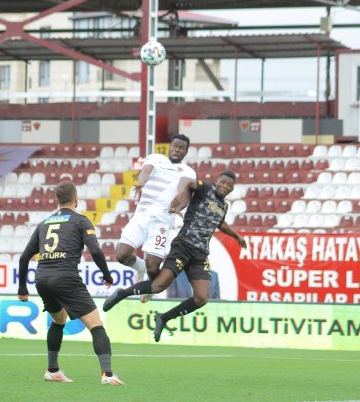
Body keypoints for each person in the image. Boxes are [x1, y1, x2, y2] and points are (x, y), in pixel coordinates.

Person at [104, 171, 245, 342]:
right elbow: (186, 180)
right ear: (216, 181)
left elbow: (220, 223)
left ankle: (163, 318)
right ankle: (122, 294)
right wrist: (180, 193)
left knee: (201, 298)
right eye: (223, 182)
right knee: (158, 286)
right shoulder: (205, 188)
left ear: (231, 190)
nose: (225, 186)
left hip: (200, 254)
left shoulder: (224, 206)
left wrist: (236, 236)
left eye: (229, 185)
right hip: (183, 246)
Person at [17, 181, 125, 386]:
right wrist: (107, 275)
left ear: (57, 200)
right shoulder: (81, 221)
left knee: (59, 320)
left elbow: (24, 258)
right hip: (65, 277)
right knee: (96, 325)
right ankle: (108, 375)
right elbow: (95, 251)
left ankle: (52, 370)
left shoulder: (44, 223)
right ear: (76, 199)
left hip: (42, 279)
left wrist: (22, 288)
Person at [115, 134, 196, 301]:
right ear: (170, 146)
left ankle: (150, 288)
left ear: (186, 152)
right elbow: (146, 171)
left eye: (181, 148)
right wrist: (141, 183)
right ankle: (140, 268)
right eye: (175, 146)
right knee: (122, 255)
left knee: (153, 268)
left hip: (162, 222)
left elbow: (185, 190)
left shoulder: (188, 171)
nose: (177, 150)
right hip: (142, 215)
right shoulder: (156, 158)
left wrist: (179, 204)